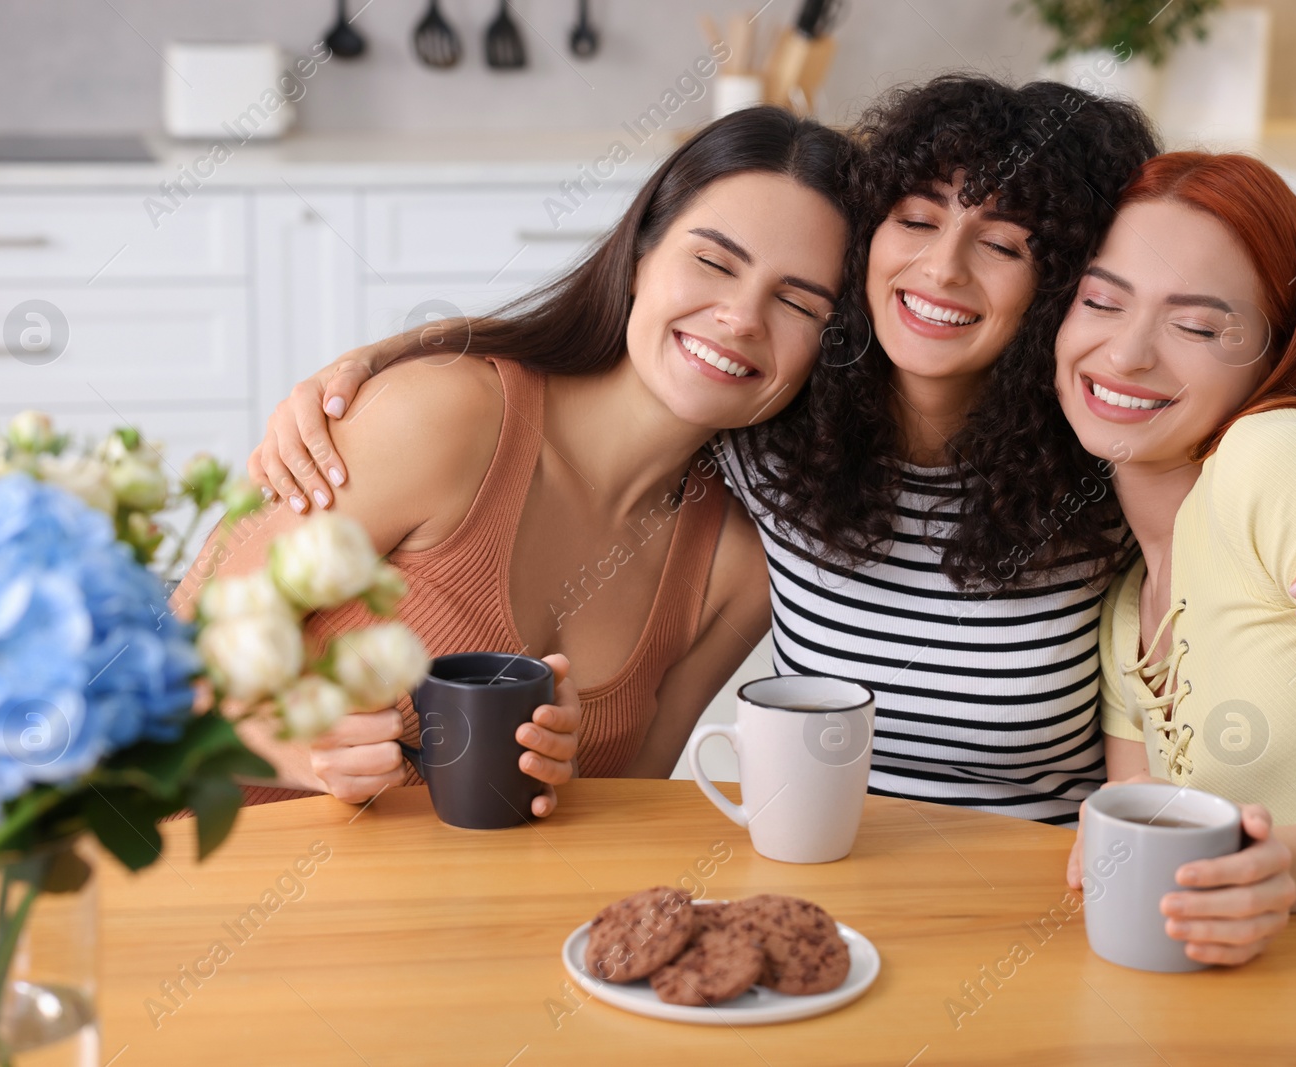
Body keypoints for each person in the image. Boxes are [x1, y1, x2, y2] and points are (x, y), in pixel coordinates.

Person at [250, 77, 1296, 825]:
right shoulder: (779, 436)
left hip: (1041, 900)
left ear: (1057, 281)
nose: (942, 268)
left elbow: (1253, 436)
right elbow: (623, 368)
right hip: (830, 892)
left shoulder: (1099, 474)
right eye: (916, 222)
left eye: (1004, 244)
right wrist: (388, 363)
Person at [175, 106, 854, 816]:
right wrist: (297, 744)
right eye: (713, 261)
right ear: (640, 258)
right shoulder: (444, 417)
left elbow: (626, 822)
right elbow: (168, 651)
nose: (743, 317)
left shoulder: (735, 571)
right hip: (187, 882)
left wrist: (565, 784)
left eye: (797, 303)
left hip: (451, 922)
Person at [1059, 152, 1296, 963]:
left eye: (1197, 326)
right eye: (1099, 301)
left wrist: (1285, 870)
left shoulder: (1276, 465)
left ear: (1275, 357)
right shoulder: (1126, 609)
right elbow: (1141, 842)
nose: (1126, 354)